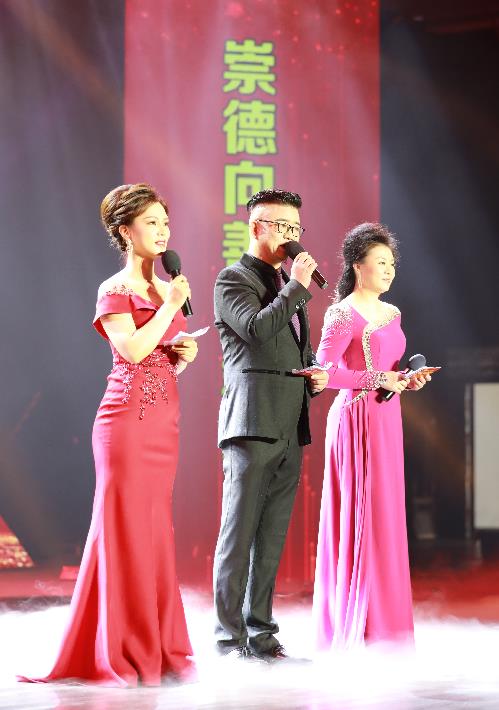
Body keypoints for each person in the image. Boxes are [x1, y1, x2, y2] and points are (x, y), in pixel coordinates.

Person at [20, 183, 198, 686]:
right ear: (125, 231)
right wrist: (171, 309)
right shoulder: (115, 289)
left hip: (163, 422)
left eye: (166, 222)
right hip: (125, 422)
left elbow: (158, 359)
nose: (163, 232)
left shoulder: (164, 289)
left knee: (153, 529)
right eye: (152, 223)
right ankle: (119, 646)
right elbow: (132, 351)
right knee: (123, 529)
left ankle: (155, 643)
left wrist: (183, 356)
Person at [213, 189, 329, 661]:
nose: (290, 236)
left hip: (290, 423)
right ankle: (228, 638)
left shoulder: (289, 287)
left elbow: (294, 348)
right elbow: (257, 331)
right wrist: (295, 287)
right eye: (282, 226)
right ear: (256, 227)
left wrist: (315, 371)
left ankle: (261, 634)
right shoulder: (232, 279)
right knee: (238, 534)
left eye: (295, 228)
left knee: (272, 537)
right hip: (251, 423)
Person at [312, 223, 431, 649]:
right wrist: (376, 378)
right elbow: (322, 374)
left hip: (387, 418)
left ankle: (388, 625)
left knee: (386, 516)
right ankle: (361, 625)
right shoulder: (342, 313)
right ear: (357, 266)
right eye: (380, 262)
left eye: (391, 263)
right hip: (356, 420)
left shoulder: (392, 313)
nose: (388, 270)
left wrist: (406, 379)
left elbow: (391, 369)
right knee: (362, 515)